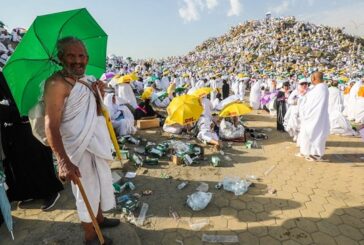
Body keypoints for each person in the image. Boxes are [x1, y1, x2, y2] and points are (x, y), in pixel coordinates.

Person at [44, 37, 119, 244]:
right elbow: (51, 125)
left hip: (96, 143)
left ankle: (100, 220)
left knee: (101, 182)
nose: (78, 61)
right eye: (71, 55)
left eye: (81, 56)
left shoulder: (87, 79)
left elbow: (95, 113)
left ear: (87, 58)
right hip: (76, 147)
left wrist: (98, 94)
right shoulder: (56, 84)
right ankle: (90, 235)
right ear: (61, 57)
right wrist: (63, 160)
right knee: (87, 189)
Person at [0, 72, 63, 210]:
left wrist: (5, 111)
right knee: (21, 163)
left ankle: (50, 192)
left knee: (38, 159)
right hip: (13, 130)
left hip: (29, 125)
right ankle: (32, 193)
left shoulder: (11, 77)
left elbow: (22, 106)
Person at [297, 72, 329, 161]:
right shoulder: (319, 88)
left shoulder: (320, 89)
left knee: (315, 134)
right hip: (311, 117)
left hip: (315, 118)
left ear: (314, 78)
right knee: (305, 135)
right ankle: (305, 152)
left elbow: (312, 104)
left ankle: (315, 155)